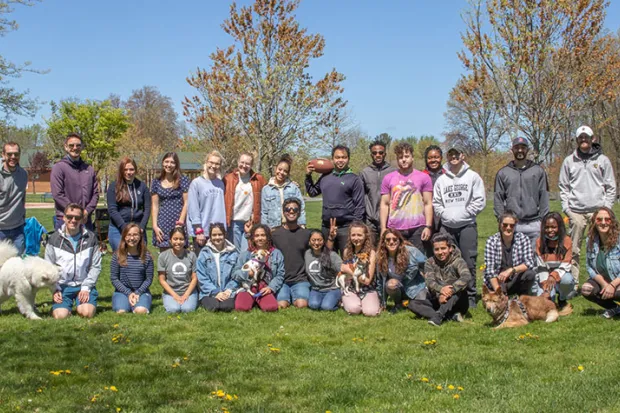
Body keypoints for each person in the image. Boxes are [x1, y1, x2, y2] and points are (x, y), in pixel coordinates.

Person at [559, 125, 616, 286]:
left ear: (593, 139)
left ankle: (604, 279)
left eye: (587, 137)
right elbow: (563, 187)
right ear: (577, 140)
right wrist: (567, 209)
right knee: (574, 249)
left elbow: (611, 186)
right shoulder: (569, 161)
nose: (584, 140)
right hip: (575, 211)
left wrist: (606, 209)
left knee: (602, 247)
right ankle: (574, 282)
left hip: (597, 211)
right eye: (581, 137)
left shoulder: (602, 160)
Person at [433, 146, 485, 308]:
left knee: (468, 262)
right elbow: (437, 202)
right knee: (446, 262)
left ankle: (470, 296)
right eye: (450, 154)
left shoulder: (473, 177)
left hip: (467, 225)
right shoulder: (442, 180)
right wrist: (445, 214)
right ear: (447, 157)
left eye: (456, 154)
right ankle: (450, 294)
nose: (454, 157)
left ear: (462, 155)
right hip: (447, 227)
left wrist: (466, 213)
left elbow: (479, 200)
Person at [306, 145, 365, 254]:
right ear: (332, 159)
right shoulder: (325, 177)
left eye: (344, 157)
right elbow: (312, 192)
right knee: (327, 259)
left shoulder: (354, 179)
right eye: (337, 157)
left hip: (346, 227)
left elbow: (360, 206)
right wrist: (308, 176)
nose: (340, 160)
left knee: (347, 259)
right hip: (326, 226)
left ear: (348, 159)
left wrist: (356, 227)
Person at [45, 203, 101, 319]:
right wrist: (55, 289)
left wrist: (86, 287)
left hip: (84, 284)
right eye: (69, 217)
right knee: (60, 316)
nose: (73, 220)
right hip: (62, 286)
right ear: (64, 218)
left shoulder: (91, 238)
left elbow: (95, 266)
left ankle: (81, 303)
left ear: (82, 219)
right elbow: (48, 267)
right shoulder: (54, 239)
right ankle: (63, 307)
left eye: (77, 217)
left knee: (87, 313)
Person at [494, 137, 549, 249]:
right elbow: (498, 198)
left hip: (534, 223)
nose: (520, 150)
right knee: (513, 260)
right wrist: (502, 220)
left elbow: (544, 196)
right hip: (513, 224)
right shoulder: (503, 173)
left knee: (534, 260)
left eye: (523, 148)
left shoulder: (538, 171)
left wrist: (543, 220)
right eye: (517, 148)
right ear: (512, 150)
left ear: (527, 150)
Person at [380, 142, 433, 254]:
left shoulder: (424, 177)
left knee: (417, 262)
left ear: (412, 157)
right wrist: (383, 228)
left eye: (406, 156)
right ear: (397, 159)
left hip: (418, 228)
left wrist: (428, 226)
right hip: (395, 228)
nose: (403, 160)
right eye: (400, 157)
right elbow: (384, 204)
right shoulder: (388, 178)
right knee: (398, 261)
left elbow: (428, 203)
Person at [408, 233, 472, 326]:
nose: (440, 252)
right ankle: (448, 316)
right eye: (436, 249)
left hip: (457, 300)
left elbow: (466, 277)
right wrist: (441, 291)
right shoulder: (429, 262)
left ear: (450, 248)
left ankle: (439, 316)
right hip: (438, 299)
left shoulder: (458, 261)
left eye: (443, 248)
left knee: (456, 289)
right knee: (412, 304)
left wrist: (450, 290)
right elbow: (429, 281)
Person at [50, 133, 99, 230]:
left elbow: (95, 194)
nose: (75, 148)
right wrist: (76, 212)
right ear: (66, 147)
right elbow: (58, 194)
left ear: (82, 147)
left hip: (86, 220)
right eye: (71, 145)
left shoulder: (89, 169)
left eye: (78, 145)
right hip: (65, 220)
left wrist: (86, 211)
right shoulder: (59, 168)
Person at [233, 224, 284, 312]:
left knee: (271, 307)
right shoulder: (246, 254)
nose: (260, 238)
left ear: (268, 237)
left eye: (263, 235)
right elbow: (235, 273)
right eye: (257, 236)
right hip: (248, 286)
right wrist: (247, 274)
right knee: (241, 307)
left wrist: (271, 287)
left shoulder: (276, 254)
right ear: (253, 238)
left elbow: (280, 274)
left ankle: (259, 300)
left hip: (265, 287)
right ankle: (251, 299)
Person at [272, 198, 311, 309]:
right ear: (284, 212)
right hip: (281, 279)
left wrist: (331, 238)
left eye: (295, 209)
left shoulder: (306, 234)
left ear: (299, 212)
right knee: (281, 305)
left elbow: (319, 252)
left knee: (302, 304)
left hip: (300, 279)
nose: (291, 211)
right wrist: (248, 235)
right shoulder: (275, 235)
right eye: (288, 209)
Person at [483, 211, 535, 295]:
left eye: (512, 225)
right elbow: (490, 271)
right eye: (505, 225)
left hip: (515, 279)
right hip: (497, 282)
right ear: (499, 224)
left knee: (530, 274)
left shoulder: (523, 239)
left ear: (515, 226)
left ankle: (522, 297)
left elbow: (529, 263)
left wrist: (511, 270)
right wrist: (499, 293)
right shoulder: (492, 241)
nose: (508, 228)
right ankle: (500, 294)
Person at [376, 229, 426, 313]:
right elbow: (380, 282)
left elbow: (427, 264)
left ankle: (407, 303)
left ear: (399, 240)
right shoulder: (381, 257)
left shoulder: (412, 251)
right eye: (388, 240)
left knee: (423, 303)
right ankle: (398, 303)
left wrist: (426, 277)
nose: (391, 242)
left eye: (395, 239)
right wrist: (382, 302)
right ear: (384, 242)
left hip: (414, 287)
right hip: (397, 288)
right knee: (391, 284)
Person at [223, 152, 266, 251]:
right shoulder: (228, 179)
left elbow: (269, 189)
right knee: (234, 252)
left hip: (250, 223)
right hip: (234, 222)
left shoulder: (258, 179)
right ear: (238, 162)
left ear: (251, 165)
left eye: (247, 164)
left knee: (246, 251)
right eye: (242, 162)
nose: (244, 166)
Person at [533, 212, 575, 314]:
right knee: (544, 304)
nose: (550, 230)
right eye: (547, 227)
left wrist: (553, 276)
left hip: (561, 276)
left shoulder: (567, 241)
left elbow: (566, 264)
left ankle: (562, 298)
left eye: (553, 227)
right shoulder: (539, 242)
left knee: (568, 280)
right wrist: (546, 288)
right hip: (544, 277)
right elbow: (541, 267)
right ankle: (551, 296)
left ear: (559, 227)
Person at [107, 157, 151, 251]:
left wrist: (142, 227)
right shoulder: (113, 186)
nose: (128, 172)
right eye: (125, 169)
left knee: (139, 258)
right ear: (121, 170)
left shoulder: (142, 186)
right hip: (118, 229)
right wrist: (124, 228)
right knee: (121, 259)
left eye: (131, 169)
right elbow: (112, 210)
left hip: (138, 228)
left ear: (135, 170)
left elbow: (147, 209)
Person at [583, 207, 620, 318]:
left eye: (607, 219)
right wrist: (604, 284)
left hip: (617, 280)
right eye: (599, 220)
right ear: (594, 222)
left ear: (612, 222)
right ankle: (614, 308)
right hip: (605, 280)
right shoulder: (590, 240)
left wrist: (612, 285)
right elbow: (589, 266)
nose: (603, 223)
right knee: (586, 289)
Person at [187, 151, 226, 253]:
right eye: (211, 162)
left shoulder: (221, 184)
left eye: (217, 164)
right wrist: (198, 231)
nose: (213, 166)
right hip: (203, 232)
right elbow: (193, 209)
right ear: (206, 162)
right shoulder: (196, 183)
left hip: (218, 233)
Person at [110, 223, 154, 314]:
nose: (132, 238)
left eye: (135, 235)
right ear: (124, 237)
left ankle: (138, 303)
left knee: (140, 311)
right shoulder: (117, 255)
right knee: (121, 311)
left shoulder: (147, 256)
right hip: (122, 291)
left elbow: (149, 279)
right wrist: (128, 293)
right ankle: (124, 303)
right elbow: (114, 278)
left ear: (140, 236)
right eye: (129, 235)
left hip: (141, 291)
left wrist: (138, 292)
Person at [151, 152, 190, 251]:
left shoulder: (183, 180)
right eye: (166, 162)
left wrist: (180, 222)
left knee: (180, 254)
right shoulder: (156, 182)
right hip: (162, 223)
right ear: (163, 163)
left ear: (176, 165)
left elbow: (187, 203)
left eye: (172, 162)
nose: (169, 165)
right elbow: (155, 206)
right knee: (165, 254)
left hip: (178, 221)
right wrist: (155, 226)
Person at [196, 223, 239, 312]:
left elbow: (236, 275)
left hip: (227, 291)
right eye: (214, 235)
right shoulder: (204, 253)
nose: (217, 237)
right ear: (210, 237)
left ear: (224, 235)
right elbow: (201, 276)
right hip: (209, 292)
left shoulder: (233, 253)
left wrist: (228, 290)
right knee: (213, 307)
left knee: (226, 306)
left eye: (220, 234)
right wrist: (215, 292)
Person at [340, 222, 380, 316]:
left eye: (359, 235)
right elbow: (344, 274)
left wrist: (349, 270)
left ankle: (366, 302)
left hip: (368, 289)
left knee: (371, 312)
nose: (356, 238)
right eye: (353, 235)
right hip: (351, 287)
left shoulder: (371, 253)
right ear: (349, 236)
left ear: (365, 236)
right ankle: (348, 301)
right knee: (354, 310)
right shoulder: (347, 252)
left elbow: (367, 280)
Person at [359, 140, 396, 243]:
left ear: (385, 154)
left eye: (380, 152)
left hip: (389, 219)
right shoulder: (365, 173)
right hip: (370, 220)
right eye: (374, 153)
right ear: (371, 154)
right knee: (371, 250)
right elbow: (361, 197)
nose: (378, 155)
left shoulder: (393, 172)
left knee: (389, 249)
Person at [157, 226, 198, 313]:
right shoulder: (163, 256)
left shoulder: (192, 255)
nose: (178, 242)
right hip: (171, 292)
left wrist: (186, 294)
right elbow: (162, 280)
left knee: (187, 309)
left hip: (188, 291)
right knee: (173, 309)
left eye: (181, 239)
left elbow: (194, 278)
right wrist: (175, 296)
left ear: (185, 240)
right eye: (175, 239)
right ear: (170, 240)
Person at [261, 154, 306, 229]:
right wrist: (265, 229)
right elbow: (264, 212)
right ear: (275, 169)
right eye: (280, 169)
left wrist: (302, 224)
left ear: (288, 173)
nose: (281, 172)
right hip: (273, 227)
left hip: (291, 226)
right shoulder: (266, 189)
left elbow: (301, 207)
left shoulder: (293, 188)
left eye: (285, 171)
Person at [0, 142, 28, 255]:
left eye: (16, 154)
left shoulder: (23, 174)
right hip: (1, 228)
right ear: (3, 155)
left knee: (18, 263)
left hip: (18, 229)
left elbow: (22, 197)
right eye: (9, 154)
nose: (13, 157)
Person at [305, 230, 342, 311]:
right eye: (313, 240)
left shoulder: (332, 255)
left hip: (332, 289)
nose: (317, 243)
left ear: (324, 241)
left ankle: (339, 301)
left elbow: (341, 269)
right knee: (313, 305)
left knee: (326, 307)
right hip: (316, 289)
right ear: (309, 241)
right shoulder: (307, 254)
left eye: (319, 240)